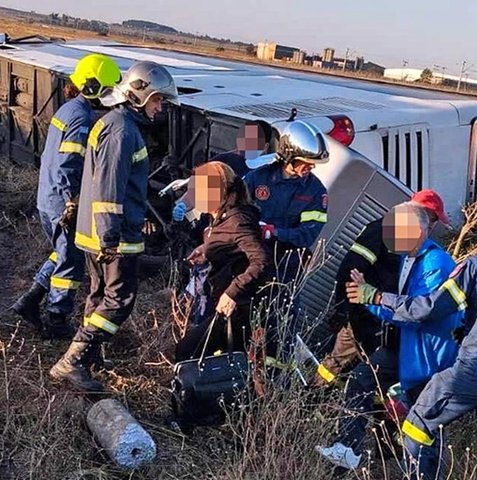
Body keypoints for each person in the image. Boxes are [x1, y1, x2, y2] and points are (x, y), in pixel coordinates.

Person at [49, 61, 180, 392]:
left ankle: (89, 357)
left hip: (100, 232)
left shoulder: (118, 124)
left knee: (98, 295)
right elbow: (109, 186)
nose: (159, 108)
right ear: (138, 95)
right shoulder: (122, 130)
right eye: (157, 100)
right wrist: (110, 237)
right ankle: (71, 362)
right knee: (119, 299)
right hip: (112, 237)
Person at [317, 201, 462, 470]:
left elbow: (420, 311)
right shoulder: (408, 259)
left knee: (424, 432)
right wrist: (367, 298)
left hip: (429, 359)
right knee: (362, 378)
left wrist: (375, 296)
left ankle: (421, 473)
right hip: (406, 349)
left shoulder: (436, 262)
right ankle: (347, 448)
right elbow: (397, 311)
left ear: (417, 231)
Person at [12, 54, 121, 339]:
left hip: (48, 197)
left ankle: (31, 299)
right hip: (62, 202)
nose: (109, 96)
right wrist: (73, 201)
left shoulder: (68, 109)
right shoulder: (81, 118)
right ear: (91, 85)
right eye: (106, 88)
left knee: (61, 252)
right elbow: (67, 165)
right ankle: (57, 320)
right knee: (70, 262)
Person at [348, 255, 477, 479]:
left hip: (472, 369)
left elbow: (429, 308)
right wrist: (467, 330)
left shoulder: (474, 266)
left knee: (419, 423)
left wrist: (377, 297)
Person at [316, 189, 450, 385]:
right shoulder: (382, 230)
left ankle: (338, 401)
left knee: (366, 370)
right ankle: (312, 397)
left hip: (381, 313)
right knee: (343, 363)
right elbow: (350, 268)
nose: (431, 224)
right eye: (431, 218)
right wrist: (343, 310)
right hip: (363, 312)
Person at [175, 161, 269, 361]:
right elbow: (230, 245)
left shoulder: (238, 220)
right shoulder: (220, 217)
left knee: (187, 352)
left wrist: (232, 293)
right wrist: (205, 250)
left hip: (239, 308)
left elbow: (260, 261)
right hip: (225, 304)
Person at [242, 120, 329, 285]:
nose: (311, 167)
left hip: (285, 268)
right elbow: (236, 207)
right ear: (289, 157)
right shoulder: (258, 177)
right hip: (249, 258)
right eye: (306, 162)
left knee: (283, 307)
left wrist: (274, 232)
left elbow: (308, 234)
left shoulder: (316, 192)